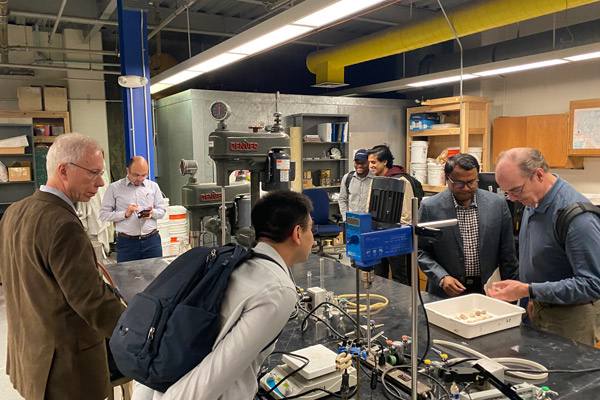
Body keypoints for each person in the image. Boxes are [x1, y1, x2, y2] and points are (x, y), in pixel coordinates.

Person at [132, 190, 315, 400]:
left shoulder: (236, 263)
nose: (313, 236)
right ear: (297, 233)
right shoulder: (278, 290)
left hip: (152, 384)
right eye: (311, 229)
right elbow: (216, 371)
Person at [0, 133, 125, 400]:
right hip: (65, 372)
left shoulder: (15, 211)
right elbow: (92, 302)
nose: (101, 182)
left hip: (30, 357)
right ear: (63, 170)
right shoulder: (63, 224)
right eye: (93, 173)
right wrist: (140, 333)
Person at [489, 147, 600, 346]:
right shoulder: (533, 201)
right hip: (540, 306)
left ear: (538, 174)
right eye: (507, 193)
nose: (512, 199)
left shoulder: (578, 218)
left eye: (515, 190)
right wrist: (533, 297)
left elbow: (592, 284)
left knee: (566, 376)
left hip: (570, 317)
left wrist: (529, 290)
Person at [418, 153, 518, 298]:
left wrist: (511, 289)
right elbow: (421, 250)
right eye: (459, 183)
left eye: (471, 182)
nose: (466, 188)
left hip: (486, 289)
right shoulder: (430, 207)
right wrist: (441, 277)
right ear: (447, 179)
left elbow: (507, 253)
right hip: (445, 291)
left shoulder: (497, 204)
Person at [100, 156, 166, 262]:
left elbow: (162, 211)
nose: (140, 179)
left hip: (152, 242)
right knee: (126, 276)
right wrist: (125, 214)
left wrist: (152, 213)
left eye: (144, 175)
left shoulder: (153, 187)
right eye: (136, 175)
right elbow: (103, 214)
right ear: (128, 171)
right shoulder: (114, 188)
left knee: (156, 275)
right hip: (127, 244)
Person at [367, 145, 415, 284]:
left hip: (396, 238)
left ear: (385, 162)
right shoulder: (375, 181)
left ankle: (401, 305)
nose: (370, 166)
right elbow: (369, 208)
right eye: (369, 162)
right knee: (378, 274)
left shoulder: (401, 181)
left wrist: (395, 236)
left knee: (399, 276)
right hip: (377, 235)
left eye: (374, 162)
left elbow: (407, 215)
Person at [338, 148, 374, 221]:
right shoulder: (347, 178)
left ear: (368, 163)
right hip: (352, 220)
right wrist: (345, 218)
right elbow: (342, 199)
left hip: (369, 221)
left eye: (363, 163)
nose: (359, 166)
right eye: (357, 163)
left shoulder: (375, 179)